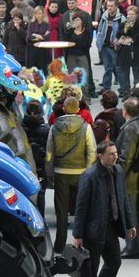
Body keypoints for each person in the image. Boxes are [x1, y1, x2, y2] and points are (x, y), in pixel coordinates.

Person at [72, 140, 136, 277]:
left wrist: (130, 224)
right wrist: (77, 235)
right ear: (100, 156)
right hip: (93, 230)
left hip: (111, 227)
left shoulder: (118, 171)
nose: (115, 156)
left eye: (116, 153)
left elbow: (124, 198)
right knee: (92, 268)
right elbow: (81, 206)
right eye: (111, 154)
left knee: (115, 262)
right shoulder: (90, 176)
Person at [46, 97, 97, 254]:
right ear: (77, 109)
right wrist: (88, 171)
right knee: (83, 209)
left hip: (61, 173)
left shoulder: (54, 128)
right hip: (81, 172)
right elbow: (92, 151)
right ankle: (84, 243)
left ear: (64, 109)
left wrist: (50, 173)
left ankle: (60, 245)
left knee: (62, 212)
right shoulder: (85, 127)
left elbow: (49, 153)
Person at [116, 99, 139, 259]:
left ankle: (132, 247)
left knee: (129, 211)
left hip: (130, 176)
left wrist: (118, 174)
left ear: (125, 111)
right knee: (138, 211)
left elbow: (126, 156)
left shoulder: (130, 128)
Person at [23, 100, 50, 215]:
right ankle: (41, 219)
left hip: (25, 165)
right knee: (40, 193)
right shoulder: (46, 130)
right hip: (41, 166)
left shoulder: (21, 127)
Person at [115, 6, 139, 98]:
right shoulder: (123, 24)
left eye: (132, 14)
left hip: (137, 52)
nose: (130, 16)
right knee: (125, 74)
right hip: (125, 53)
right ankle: (126, 93)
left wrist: (132, 39)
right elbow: (118, 34)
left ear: (136, 15)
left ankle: (137, 94)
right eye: (129, 14)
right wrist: (125, 30)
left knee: (136, 73)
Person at [62, 11, 94, 99]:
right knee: (72, 77)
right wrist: (67, 30)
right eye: (74, 20)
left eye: (78, 20)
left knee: (84, 77)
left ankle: (86, 97)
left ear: (82, 21)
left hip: (82, 55)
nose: (76, 22)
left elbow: (86, 44)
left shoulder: (86, 31)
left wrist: (75, 43)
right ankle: (73, 97)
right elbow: (66, 42)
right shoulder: (70, 31)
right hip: (71, 56)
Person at [96, 0, 126, 93]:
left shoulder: (121, 18)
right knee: (107, 69)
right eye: (108, 6)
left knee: (119, 69)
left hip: (115, 48)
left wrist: (119, 42)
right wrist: (99, 40)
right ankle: (106, 88)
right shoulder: (104, 16)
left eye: (111, 6)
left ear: (116, 6)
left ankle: (123, 90)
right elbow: (100, 29)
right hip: (105, 47)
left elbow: (124, 34)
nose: (109, 8)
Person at [26, 6, 51, 73]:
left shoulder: (47, 24)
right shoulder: (31, 24)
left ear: (43, 14)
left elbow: (47, 37)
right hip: (32, 49)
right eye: (37, 13)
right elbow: (28, 37)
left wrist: (35, 35)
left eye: (40, 13)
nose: (39, 15)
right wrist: (41, 37)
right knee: (32, 69)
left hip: (43, 50)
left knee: (42, 69)